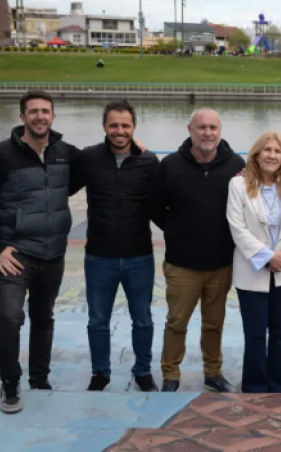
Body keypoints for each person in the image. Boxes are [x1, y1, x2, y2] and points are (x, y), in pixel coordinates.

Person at [0, 90, 82, 413]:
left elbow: (96, 164)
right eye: (33, 111)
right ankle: (10, 382)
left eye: (45, 111)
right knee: (9, 318)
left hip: (53, 254)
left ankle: (39, 379)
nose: (40, 116)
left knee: (43, 319)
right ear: (22, 118)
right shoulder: (1, 155)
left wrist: (136, 146)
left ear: (53, 116)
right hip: (14, 256)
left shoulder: (65, 153)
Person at [149, 108, 246, 393]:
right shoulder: (170, 165)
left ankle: (213, 372)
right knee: (177, 322)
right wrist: (178, 230)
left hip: (221, 264)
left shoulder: (235, 166)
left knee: (214, 323)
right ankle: (170, 374)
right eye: (202, 127)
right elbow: (154, 206)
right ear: (190, 129)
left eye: (213, 128)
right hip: (182, 265)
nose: (207, 133)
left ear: (220, 131)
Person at [73, 100, 160, 392]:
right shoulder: (89, 158)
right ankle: (101, 373)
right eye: (114, 125)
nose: (119, 131)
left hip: (139, 256)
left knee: (143, 320)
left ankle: (143, 371)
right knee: (98, 320)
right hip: (99, 256)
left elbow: (169, 196)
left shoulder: (149, 161)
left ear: (134, 128)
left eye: (125, 125)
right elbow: (56, 173)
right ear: (104, 127)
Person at [227, 131, 281, 393]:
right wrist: (267, 256)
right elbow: (237, 228)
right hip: (252, 271)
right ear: (256, 154)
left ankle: (277, 384)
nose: (272, 155)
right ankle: (254, 385)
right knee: (255, 333)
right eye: (267, 150)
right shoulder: (237, 186)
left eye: (277, 151)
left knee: (280, 332)